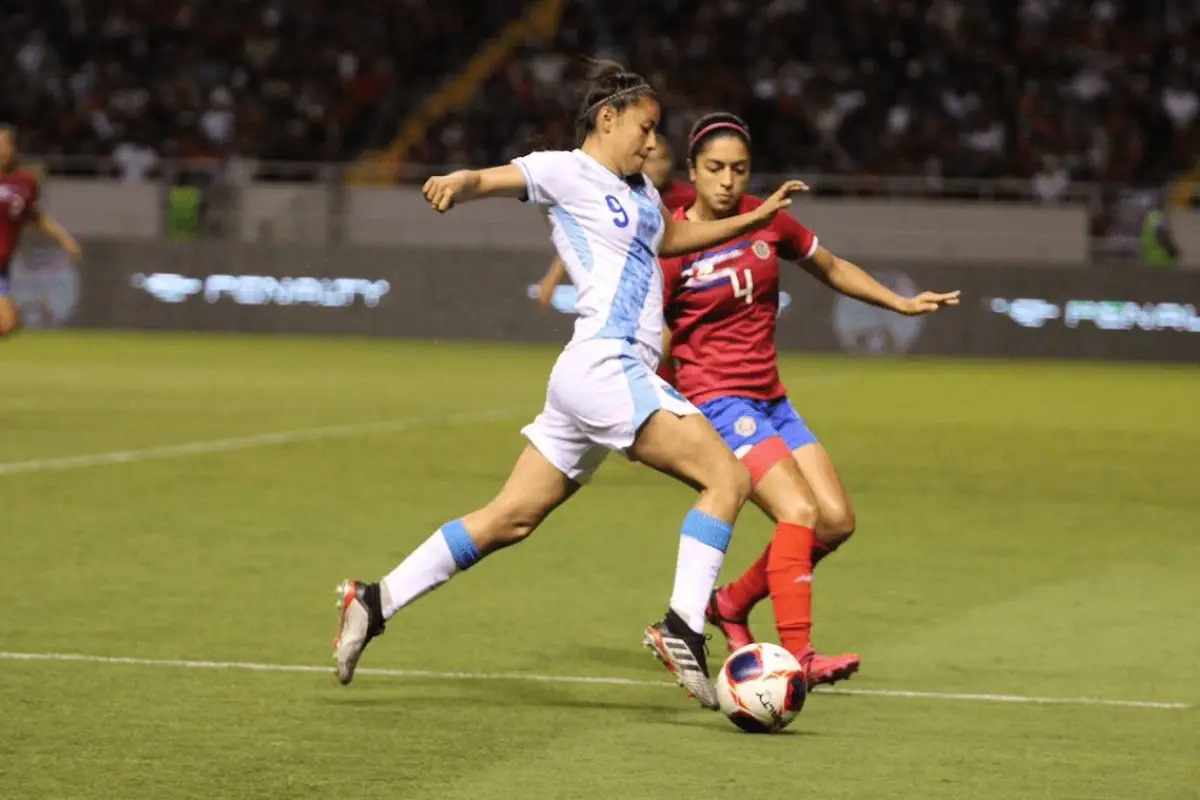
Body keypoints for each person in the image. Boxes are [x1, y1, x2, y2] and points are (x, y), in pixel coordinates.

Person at [332, 63, 809, 710]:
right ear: (607, 118)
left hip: (592, 375)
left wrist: (758, 220)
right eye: (644, 128)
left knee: (512, 518)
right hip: (609, 366)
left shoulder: (640, 189)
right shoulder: (565, 170)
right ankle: (682, 627)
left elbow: (673, 237)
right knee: (728, 479)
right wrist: (456, 181)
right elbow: (493, 178)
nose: (651, 144)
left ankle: (374, 601)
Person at [658, 112, 960, 686]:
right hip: (718, 402)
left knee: (836, 521)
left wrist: (898, 304)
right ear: (692, 172)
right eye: (715, 169)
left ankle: (730, 605)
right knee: (798, 512)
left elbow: (831, 266)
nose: (727, 181)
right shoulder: (674, 244)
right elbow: (659, 337)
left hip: (771, 399)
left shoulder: (767, 220)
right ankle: (800, 656)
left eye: (738, 169)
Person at [534, 138, 695, 308]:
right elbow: (587, 235)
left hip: (685, 279)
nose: (658, 167)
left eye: (664, 159)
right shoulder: (619, 196)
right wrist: (552, 278)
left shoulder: (690, 196)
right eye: (650, 160)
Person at [0, 125, 82, 337]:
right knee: (8, 321)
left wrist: (64, 239)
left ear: (13, 148)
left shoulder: (25, 182)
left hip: (3, 263)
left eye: (5, 144)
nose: (2, 150)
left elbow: (35, 216)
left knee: (10, 324)